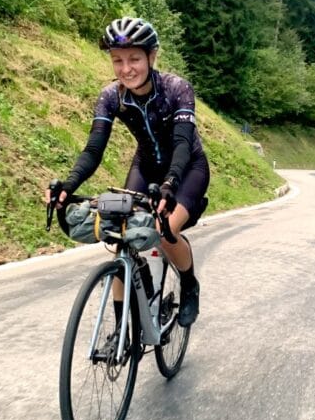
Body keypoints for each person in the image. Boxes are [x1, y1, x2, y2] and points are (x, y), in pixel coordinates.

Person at [46, 16, 209, 326]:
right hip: (145, 167)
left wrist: (170, 183)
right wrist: (69, 184)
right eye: (117, 60)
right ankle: (121, 330)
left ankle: (189, 284)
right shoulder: (111, 96)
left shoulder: (176, 89)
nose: (126, 68)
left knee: (164, 231)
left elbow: (182, 144)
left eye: (134, 58)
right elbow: (94, 149)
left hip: (187, 168)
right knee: (121, 234)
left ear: (152, 56)